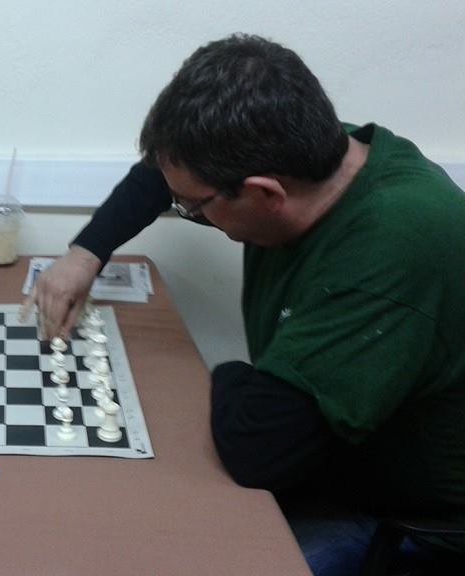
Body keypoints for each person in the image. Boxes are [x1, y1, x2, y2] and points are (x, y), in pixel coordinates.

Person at [26, 34, 465, 575]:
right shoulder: (314, 154)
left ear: (265, 194)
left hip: (406, 516)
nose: (190, 213)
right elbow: (167, 172)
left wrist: (229, 371)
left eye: (194, 208)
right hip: (323, 449)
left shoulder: (391, 248)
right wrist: (85, 253)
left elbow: (259, 450)